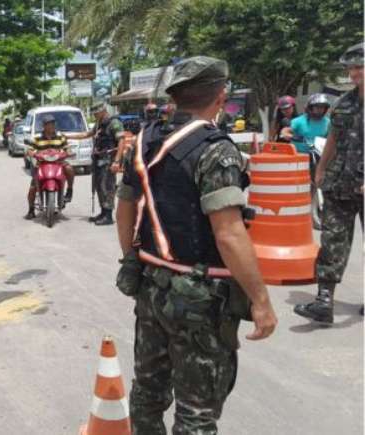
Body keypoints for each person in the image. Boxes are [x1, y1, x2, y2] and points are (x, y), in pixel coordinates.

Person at [116, 56, 277, 434]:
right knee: (197, 411)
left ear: (176, 96)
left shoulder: (143, 139)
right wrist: (261, 300)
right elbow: (229, 233)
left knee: (148, 392)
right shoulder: (216, 149)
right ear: (221, 96)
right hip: (200, 299)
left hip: (153, 282)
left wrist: (131, 258)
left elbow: (125, 211)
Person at [294, 42, 364, 323]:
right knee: (332, 241)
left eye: (359, 67)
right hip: (340, 183)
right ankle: (324, 301)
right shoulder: (344, 103)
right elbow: (334, 137)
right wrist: (321, 169)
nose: (354, 74)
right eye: (351, 69)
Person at [73, 104, 124, 225]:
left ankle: (108, 216)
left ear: (103, 111)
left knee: (107, 186)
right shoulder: (99, 124)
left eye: (96, 113)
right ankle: (103, 212)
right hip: (99, 160)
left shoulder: (114, 123)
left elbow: (121, 141)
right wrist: (66, 136)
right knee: (99, 187)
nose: (95, 115)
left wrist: (117, 161)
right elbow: (86, 134)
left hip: (109, 160)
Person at [24, 114, 75, 219]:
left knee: (69, 168)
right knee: (33, 187)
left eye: (52, 124)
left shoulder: (60, 137)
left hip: (58, 163)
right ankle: (31, 209)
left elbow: (67, 148)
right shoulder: (37, 138)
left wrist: (69, 152)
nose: (51, 126)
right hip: (41, 164)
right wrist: (32, 153)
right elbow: (29, 149)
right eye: (48, 124)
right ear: (44, 126)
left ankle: (69, 189)